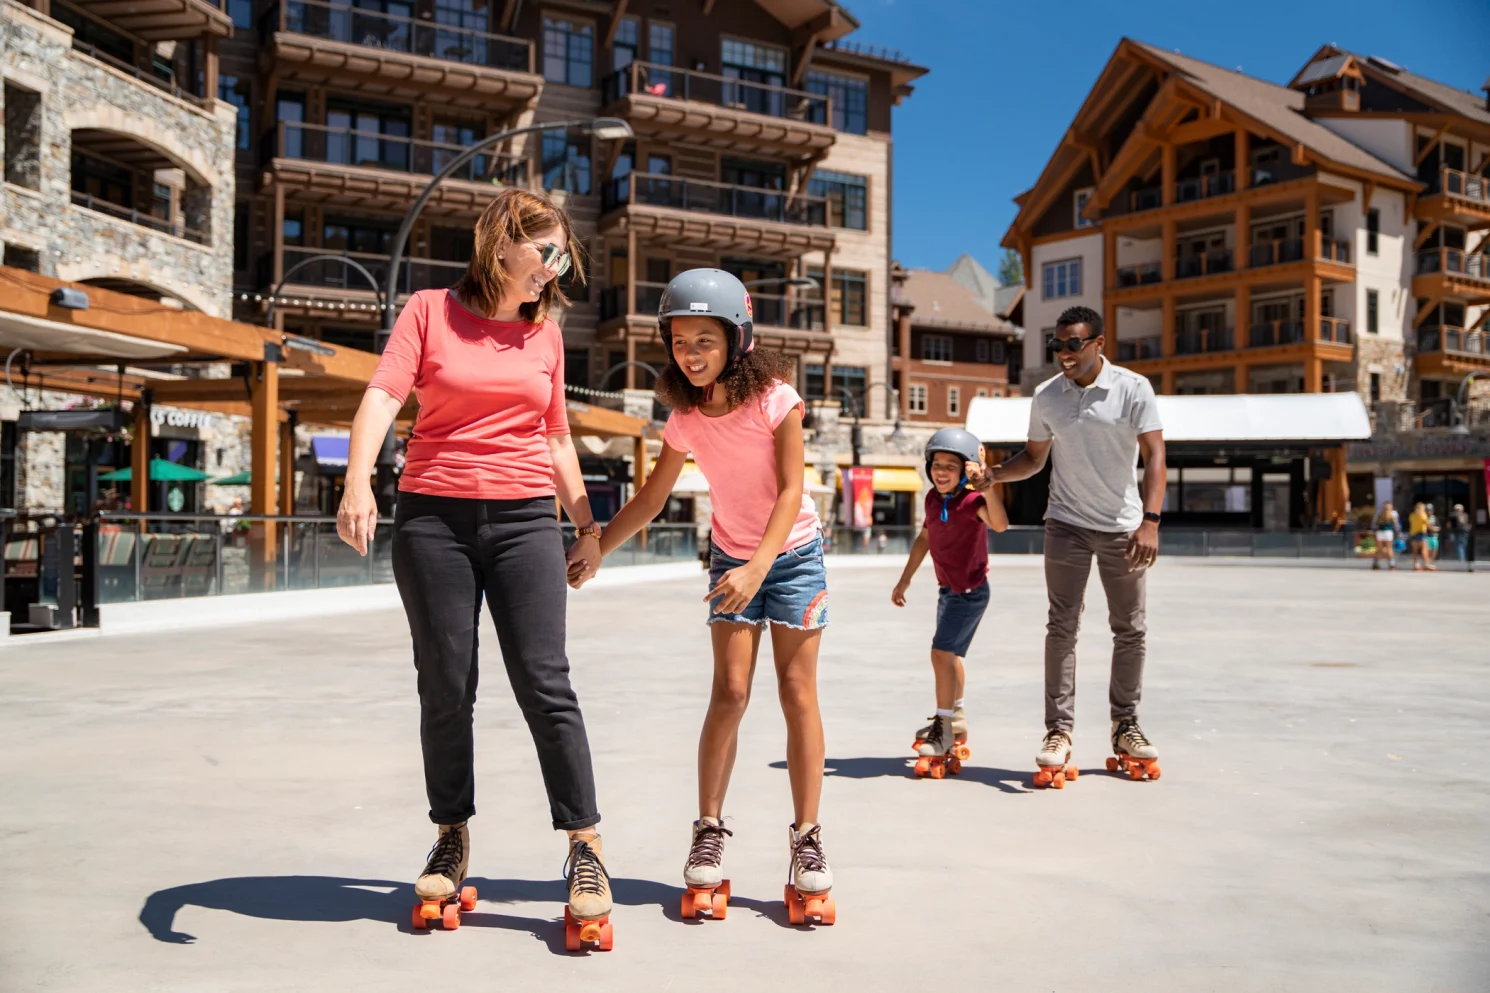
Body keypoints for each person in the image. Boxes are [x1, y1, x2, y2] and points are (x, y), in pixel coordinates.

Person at [335, 188, 613, 941]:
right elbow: (382, 396)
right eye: (545, 252)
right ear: (500, 247)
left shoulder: (546, 335)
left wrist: (587, 524)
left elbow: (556, 438)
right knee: (446, 682)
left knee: (544, 680)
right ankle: (452, 834)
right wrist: (357, 478)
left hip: (526, 519)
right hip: (433, 519)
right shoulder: (428, 311)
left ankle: (584, 847)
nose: (555, 269)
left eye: (562, 256)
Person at [596, 269, 835, 924]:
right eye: (679, 341)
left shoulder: (777, 400)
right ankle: (708, 827)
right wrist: (596, 546)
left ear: (739, 337)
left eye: (705, 338)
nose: (691, 352)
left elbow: (792, 492)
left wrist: (761, 567)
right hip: (732, 559)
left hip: (791, 559)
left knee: (796, 692)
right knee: (729, 692)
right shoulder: (685, 418)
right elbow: (649, 498)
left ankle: (807, 839)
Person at [979, 305, 1166, 786]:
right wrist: (995, 475)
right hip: (1065, 524)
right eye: (1057, 345)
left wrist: (1150, 521)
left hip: (1123, 527)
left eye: (1073, 344)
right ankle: (1057, 732)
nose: (1063, 353)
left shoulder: (1132, 388)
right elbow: (1034, 459)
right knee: (1061, 628)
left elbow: (1156, 455)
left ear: (1098, 343)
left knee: (1130, 629)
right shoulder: (1047, 396)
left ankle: (1126, 725)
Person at [890, 428, 1008, 777]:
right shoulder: (931, 499)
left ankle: (942, 728)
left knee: (940, 653)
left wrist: (987, 486)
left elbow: (1000, 524)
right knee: (950, 656)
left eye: (950, 466)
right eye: (936, 465)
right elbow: (925, 537)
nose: (942, 472)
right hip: (948, 591)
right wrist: (906, 577)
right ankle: (955, 718)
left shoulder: (973, 502)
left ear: (967, 468)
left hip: (971, 592)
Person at [1373, 502, 1400, 572]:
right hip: (1388, 532)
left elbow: (1376, 525)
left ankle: (1376, 564)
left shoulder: (1380, 514)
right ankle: (1391, 564)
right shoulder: (1392, 514)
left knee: (1379, 549)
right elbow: (1396, 526)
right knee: (1389, 548)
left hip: (1380, 533)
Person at [1408, 501, 1431, 571]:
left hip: (1413, 534)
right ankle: (1426, 564)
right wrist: (1433, 528)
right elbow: (1427, 524)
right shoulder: (1423, 515)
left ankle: (1416, 564)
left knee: (1414, 551)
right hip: (1421, 533)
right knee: (1424, 550)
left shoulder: (1412, 515)